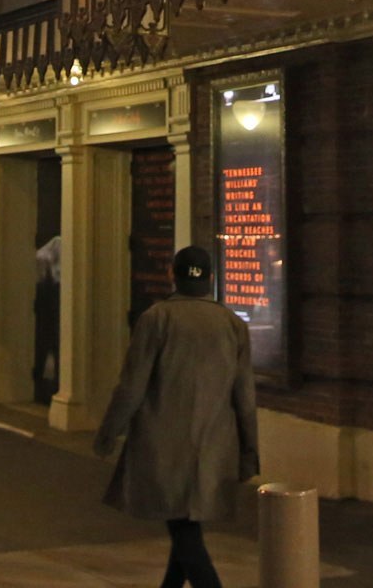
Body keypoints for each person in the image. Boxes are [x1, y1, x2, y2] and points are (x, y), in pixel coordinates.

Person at [94, 245, 258, 588]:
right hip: (213, 444)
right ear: (212, 278)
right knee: (186, 525)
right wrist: (249, 453)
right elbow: (244, 397)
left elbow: (132, 385)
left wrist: (109, 432)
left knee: (184, 533)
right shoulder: (232, 324)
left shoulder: (156, 319)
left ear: (173, 276)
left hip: (163, 444)